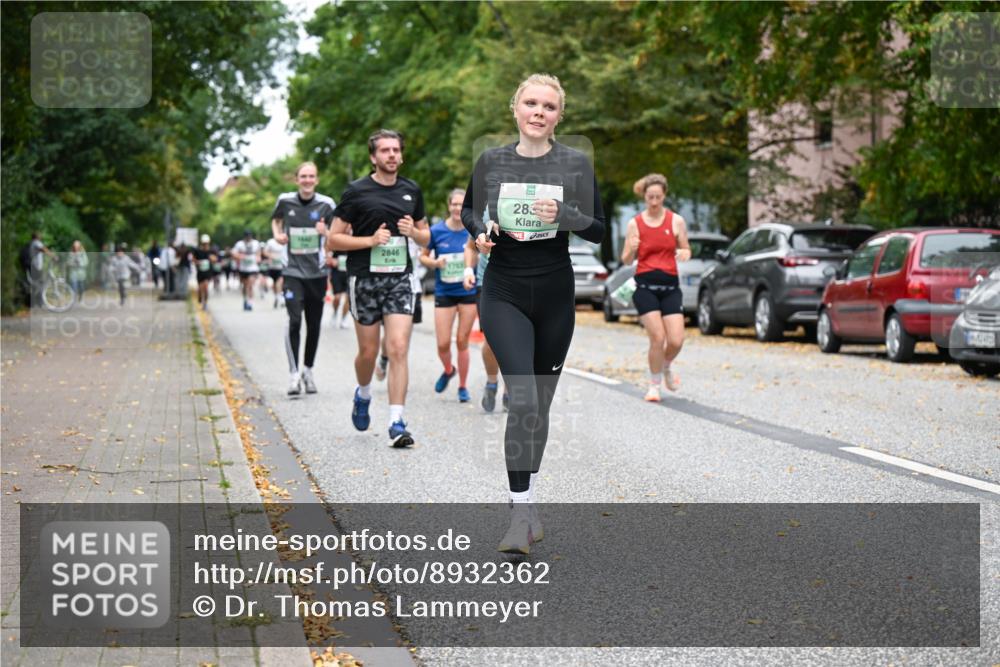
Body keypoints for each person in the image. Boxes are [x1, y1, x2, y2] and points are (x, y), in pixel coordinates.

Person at [462, 73, 605, 553]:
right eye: (531, 103)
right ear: (516, 109)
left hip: (554, 294)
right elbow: (470, 212)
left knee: (537, 407)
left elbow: (599, 229)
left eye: (549, 106)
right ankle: (519, 515)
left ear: (559, 116)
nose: (539, 112)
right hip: (502, 289)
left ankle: (529, 505)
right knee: (521, 399)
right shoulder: (491, 161)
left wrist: (563, 216)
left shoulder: (574, 164)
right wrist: (479, 232)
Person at [326, 129, 430, 447]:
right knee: (369, 352)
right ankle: (364, 393)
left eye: (396, 150)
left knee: (397, 348)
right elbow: (333, 239)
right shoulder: (356, 192)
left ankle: (397, 421)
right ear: (373, 157)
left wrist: (414, 232)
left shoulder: (411, 190)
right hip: (364, 279)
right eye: (385, 150)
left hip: (400, 278)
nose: (391, 155)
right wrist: (370, 241)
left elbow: (427, 237)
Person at [620, 173, 691, 402]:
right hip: (645, 287)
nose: (653, 202)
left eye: (658, 197)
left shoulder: (676, 221)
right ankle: (654, 385)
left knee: (677, 340)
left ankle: (666, 365)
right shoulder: (635, 223)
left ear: (664, 196)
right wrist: (632, 248)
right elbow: (626, 260)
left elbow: (687, 249)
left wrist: (684, 252)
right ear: (644, 196)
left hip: (670, 286)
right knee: (657, 338)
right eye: (650, 197)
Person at [272, 161, 335, 396]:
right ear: (297, 179)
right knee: (295, 320)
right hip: (292, 272)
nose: (307, 180)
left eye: (311, 176)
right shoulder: (285, 201)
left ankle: (308, 370)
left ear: (316, 180)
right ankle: (293, 374)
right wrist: (278, 235)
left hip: (317, 273)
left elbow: (339, 234)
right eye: (303, 176)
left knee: (314, 325)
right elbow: (276, 220)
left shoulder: (327, 205)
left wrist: (326, 232)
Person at [422, 189, 477, 403]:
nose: (457, 208)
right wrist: (435, 263)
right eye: (454, 204)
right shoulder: (436, 231)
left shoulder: (473, 230)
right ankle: (448, 369)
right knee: (443, 343)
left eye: (462, 204)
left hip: (467, 292)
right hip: (444, 291)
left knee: (463, 341)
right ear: (449, 205)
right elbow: (423, 257)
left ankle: (463, 387)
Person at [463, 237, 508, 412]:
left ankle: (510, 389)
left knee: (513, 340)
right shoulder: (485, 214)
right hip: (487, 284)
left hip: (516, 284)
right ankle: (492, 382)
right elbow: (469, 247)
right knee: (492, 339)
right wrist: (468, 270)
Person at [233, 230, 262, 310]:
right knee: (245, 286)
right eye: (247, 236)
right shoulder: (239, 244)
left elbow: (259, 253)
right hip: (243, 268)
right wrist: (240, 256)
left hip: (253, 268)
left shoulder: (256, 243)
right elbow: (234, 254)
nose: (248, 237)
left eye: (249, 236)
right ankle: (245, 299)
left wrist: (258, 258)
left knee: (250, 285)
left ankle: (250, 303)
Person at [192, 234, 218, 310]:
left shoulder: (212, 251)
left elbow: (216, 259)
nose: (205, 245)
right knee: (200, 288)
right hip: (200, 272)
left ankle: (205, 303)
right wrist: (198, 262)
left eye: (206, 243)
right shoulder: (197, 251)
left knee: (206, 287)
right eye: (204, 243)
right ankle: (200, 297)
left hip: (208, 272)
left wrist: (212, 258)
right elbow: (193, 259)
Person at [264, 234, 288, 309]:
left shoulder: (285, 240)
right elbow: (265, 252)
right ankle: (276, 297)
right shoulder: (270, 242)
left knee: (280, 282)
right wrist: (271, 256)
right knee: (274, 284)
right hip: (272, 267)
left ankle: (280, 298)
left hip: (281, 267)